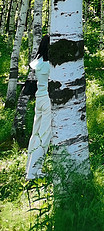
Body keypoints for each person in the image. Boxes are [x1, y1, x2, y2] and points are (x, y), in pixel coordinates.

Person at [25, 34, 51, 181]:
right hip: (47, 100)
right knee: (44, 135)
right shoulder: (51, 65)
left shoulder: (38, 62)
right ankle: (33, 173)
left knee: (35, 134)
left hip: (39, 98)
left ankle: (30, 167)